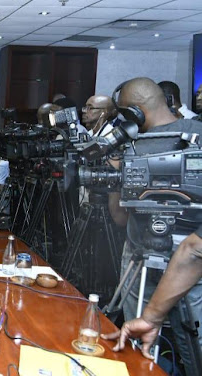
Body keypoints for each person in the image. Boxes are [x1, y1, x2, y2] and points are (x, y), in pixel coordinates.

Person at [107, 77, 202, 370]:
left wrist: (115, 181)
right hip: (191, 268)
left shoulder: (130, 148)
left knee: (137, 350)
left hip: (141, 259)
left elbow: (119, 218)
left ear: (133, 113)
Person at [102, 231, 202, 360]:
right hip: (143, 245)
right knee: (193, 349)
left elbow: (196, 249)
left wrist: (150, 319)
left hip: (187, 256)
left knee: (137, 346)